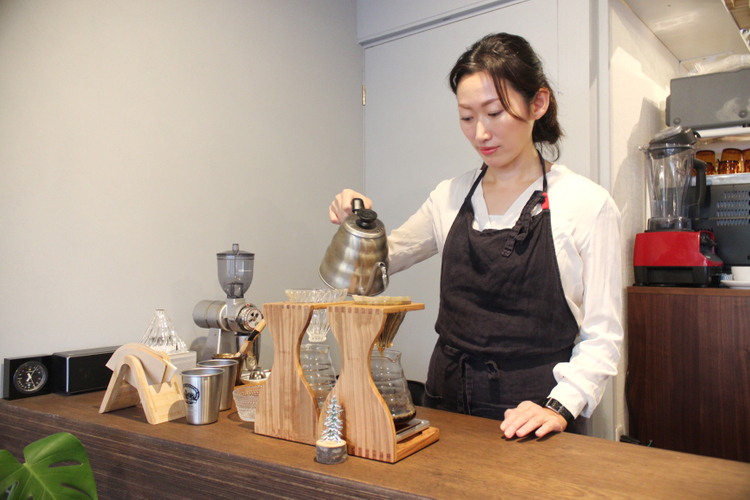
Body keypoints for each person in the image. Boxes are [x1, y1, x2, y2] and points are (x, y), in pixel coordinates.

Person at [329, 33, 623, 439]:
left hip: (534, 409)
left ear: (537, 103)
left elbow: (602, 335)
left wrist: (558, 407)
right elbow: (375, 270)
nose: (481, 133)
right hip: (445, 397)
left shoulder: (586, 203)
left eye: (495, 113)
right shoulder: (449, 196)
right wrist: (358, 224)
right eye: (467, 117)